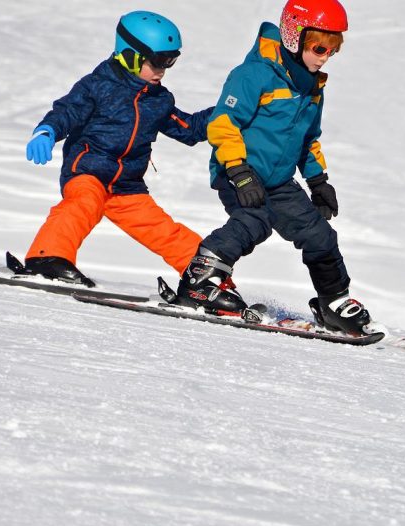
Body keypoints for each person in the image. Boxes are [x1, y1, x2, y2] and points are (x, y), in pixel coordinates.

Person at [175, 0, 373, 335]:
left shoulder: (312, 87)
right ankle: (201, 280)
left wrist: (318, 181)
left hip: (279, 182)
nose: (325, 56)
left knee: (320, 235)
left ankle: (334, 302)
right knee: (254, 220)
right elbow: (223, 124)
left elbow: (309, 139)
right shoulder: (254, 75)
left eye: (333, 49)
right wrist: (238, 170)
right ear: (294, 36)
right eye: (320, 47)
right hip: (238, 172)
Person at [22, 11, 212, 287]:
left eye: (171, 61)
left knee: (164, 230)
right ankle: (47, 257)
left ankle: (207, 281)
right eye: (158, 61)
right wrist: (47, 130)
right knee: (81, 205)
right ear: (131, 54)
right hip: (89, 172)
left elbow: (189, 129)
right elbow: (68, 111)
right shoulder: (97, 86)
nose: (162, 70)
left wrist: (232, 112)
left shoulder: (158, 99)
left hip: (127, 186)